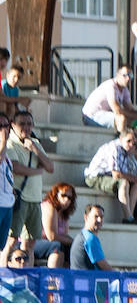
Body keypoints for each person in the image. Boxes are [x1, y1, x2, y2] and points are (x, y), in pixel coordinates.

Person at [6, 109, 55, 264]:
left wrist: (35, 150)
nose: (26, 127)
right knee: (11, 241)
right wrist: (37, 171)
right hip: (19, 198)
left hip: (34, 198)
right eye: (22, 124)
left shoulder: (36, 143)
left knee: (30, 243)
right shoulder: (9, 144)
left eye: (29, 124)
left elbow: (50, 167)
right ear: (13, 125)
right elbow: (15, 167)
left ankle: (28, 274)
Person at [81, 65, 137, 132]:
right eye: (125, 75)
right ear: (118, 75)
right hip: (91, 116)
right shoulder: (110, 86)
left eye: (131, 76)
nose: (128, 78)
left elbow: (130, 110)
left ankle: (133, 142)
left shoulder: (125, 90)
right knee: (122, 119)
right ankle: (120, 142)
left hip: (105, 114)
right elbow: (117, 110)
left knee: (136, 123)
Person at [33, 182, 76, 266]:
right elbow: (52, 236)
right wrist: (75, 241)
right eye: (63, 195)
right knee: (57, 246)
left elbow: (64, 236)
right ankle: (53, 277)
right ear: (55, 195)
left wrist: (77, 245)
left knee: (74, 249)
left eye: (70, 197)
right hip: (34, 242)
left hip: (48, 244)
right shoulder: (49, 206)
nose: (67, 199)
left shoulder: (64, 214)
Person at [69, 204, 113, 271]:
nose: (99, 220)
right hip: (86, 279)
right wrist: (120, 276)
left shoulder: (82, 235)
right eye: (96, 216)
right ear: (86, 217)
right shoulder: (90, 238)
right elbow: (103, 265)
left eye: (101, 217)